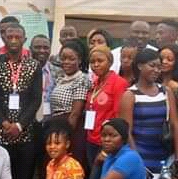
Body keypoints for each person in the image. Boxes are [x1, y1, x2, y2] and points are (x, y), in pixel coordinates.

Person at [0, 24, 43, 179]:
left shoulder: (34, 65)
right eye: (10, 37)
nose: (14, 40)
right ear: (3, 39)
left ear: (24, 40)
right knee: (1, 176)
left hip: (25, 130)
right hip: (1, 130)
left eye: (18, 37)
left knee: (23, 176)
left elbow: (35, 99)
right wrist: (4, 123)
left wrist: (19, 125)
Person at [118, 49, 178, 174]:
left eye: (159, 67)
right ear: (140, 66)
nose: (156, 70)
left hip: (165, 157)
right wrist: (136, 161)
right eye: (152, 66)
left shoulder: (166, 91)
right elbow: (127, 132)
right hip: (141, 156)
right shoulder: (130, 95)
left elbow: (175, 125)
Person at [83, 46, 129, 169]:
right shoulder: (95, 83)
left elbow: (118, 116)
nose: (96, 65)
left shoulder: (119, 83)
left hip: (106, 142)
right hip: (90, 138)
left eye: (100, 61)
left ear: (110, 62)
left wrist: (106, 149)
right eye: (92, 62)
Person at [47, 39, 89, 168]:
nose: (66, 62)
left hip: (71, 129)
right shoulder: (60, 79)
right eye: (63, 58)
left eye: (71, 59)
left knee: (68, 167)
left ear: (79, 60)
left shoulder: (81, 79)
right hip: (56, 124)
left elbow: (75, 113)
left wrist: (64, 139)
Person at [30, 35, 54, 118]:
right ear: (30, 49)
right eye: (37, 47)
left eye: (46, 47)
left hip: (51, 119)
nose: (42, 50)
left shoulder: (59, 72)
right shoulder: (22, 69)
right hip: (27, 119)